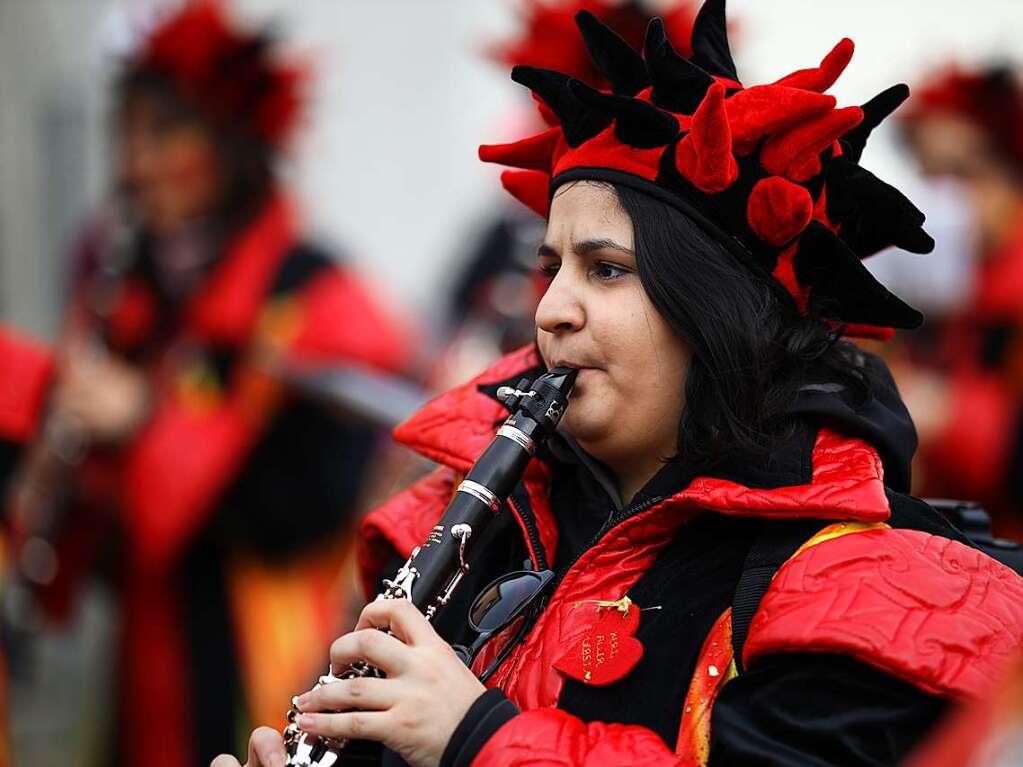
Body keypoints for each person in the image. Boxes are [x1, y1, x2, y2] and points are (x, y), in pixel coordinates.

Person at [217, 3, 1023, 766]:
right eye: (550, 267)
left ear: (716, 315)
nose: (551, 309)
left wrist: (478, 738)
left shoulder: (857, 581)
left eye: (605, 269)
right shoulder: (478, 519)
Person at [3, 3, 411, 765]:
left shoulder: (315, 293)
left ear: (231, 146)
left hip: (262, 656)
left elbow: (310, 507)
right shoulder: (127, 281)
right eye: (126, 134)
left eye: (165, 134)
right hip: (146, 654)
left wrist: (142, 422)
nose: (134, 164)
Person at [897, 65, 1023, 538]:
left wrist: (951, 418)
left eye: (961, 173)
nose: (943, 196)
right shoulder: (937, 291)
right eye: (929, 174)